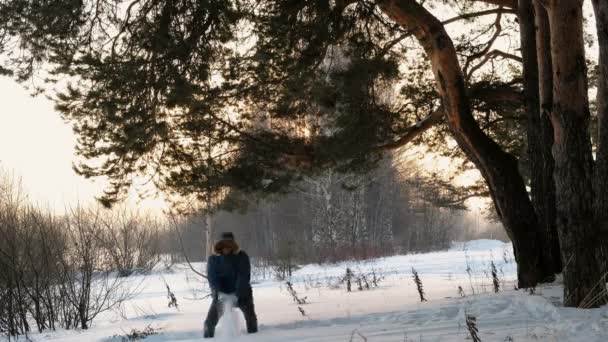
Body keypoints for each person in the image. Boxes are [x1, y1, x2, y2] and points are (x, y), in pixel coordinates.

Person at [204, 232, 258, 338]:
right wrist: (218, 292)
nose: (226, 248)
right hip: (222, 295)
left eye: (229, 245)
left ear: (233, 245)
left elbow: (243, 276)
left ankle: (254, 337)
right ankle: (207, 338)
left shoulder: (242, 257)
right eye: (224, 245)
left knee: (250, 317)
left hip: (242, 294)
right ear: (219, 246)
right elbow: (212, 278)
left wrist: (237, 294)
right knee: (209, 322)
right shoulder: (213, 259)